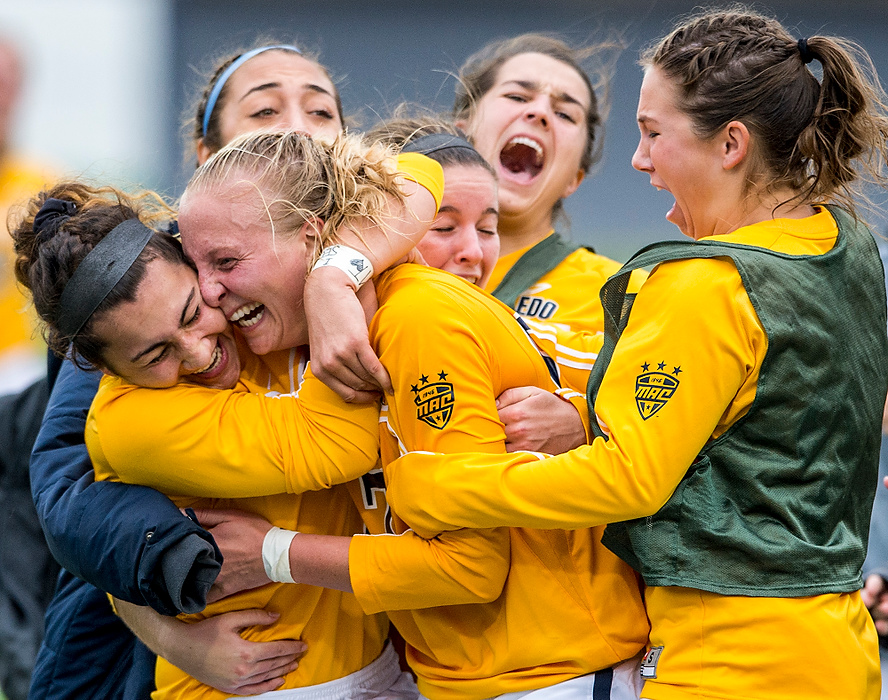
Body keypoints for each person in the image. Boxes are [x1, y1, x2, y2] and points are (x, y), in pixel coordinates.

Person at [380, 8, 888, 699]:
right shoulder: (846, 243)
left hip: (731, 660)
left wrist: (439, 485)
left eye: (652, 134)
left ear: (731, 143)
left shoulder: (707, 281)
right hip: (836, 645)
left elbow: (627, 479)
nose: (639, 159)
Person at [25, 42, 436, 699]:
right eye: (265, 109)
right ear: (207, 154)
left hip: (388, 654)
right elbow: (69, 495)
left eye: (319, 108)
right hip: (226, 663)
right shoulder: (155, 285)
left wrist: (336, 274)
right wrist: (170, 612)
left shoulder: (345, 251)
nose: (295, 128)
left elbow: (420, 171)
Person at [184, 128, 648, 699]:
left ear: (312, 237)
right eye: (197, 266)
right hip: (458, 676)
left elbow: (468, 568)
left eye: (226, 261)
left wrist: (271, 554)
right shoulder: (298, 340)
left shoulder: (417, 318)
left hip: (559, 674)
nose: (208, 291)